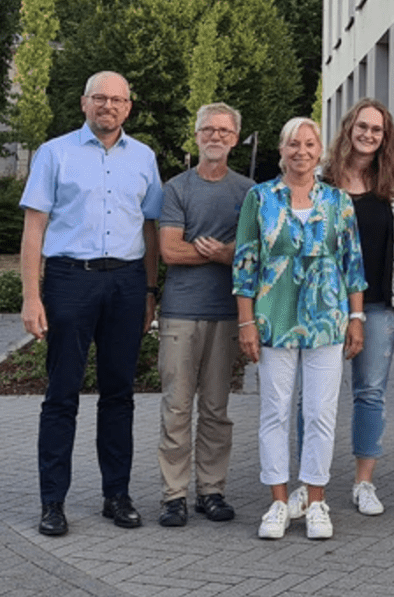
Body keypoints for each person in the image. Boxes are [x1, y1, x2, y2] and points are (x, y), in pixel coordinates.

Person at [20, 71, 163, 536]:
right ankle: (52, 503)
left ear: (129, 107)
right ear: (84, 103)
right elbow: (34, 229)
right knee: (61, 395)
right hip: (70, 280)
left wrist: (149, 291)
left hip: (126, 283)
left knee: (119, 395)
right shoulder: (54, 153)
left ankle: (116, 496)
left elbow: (149, 229)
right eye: (99, 98)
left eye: (117, 99)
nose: (108, 106)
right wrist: (31, 296)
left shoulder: (143, 157)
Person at [232, 117, 366, 540]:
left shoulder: (338, 201)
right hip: (275, 318)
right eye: (294, 144)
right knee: (275, 410)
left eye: (309, 144)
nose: (301, 151)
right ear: (282, 149)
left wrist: (357, 318)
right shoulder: (259, 198)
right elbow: (245, 262)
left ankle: (316, 500)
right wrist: (246, 322)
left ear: (320, 151)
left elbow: (353, 264)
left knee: (320, 413)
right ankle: (277, 502)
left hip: (327, 319)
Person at [311, 98, 394, 516]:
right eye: (363, 127)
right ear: (348, 128)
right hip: (322, 302)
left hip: (380, 304)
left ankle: (364, 482)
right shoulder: (320, 180)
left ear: (385, 137)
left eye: (377, 129)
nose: (368, 135)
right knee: (314, 396)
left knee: (370, 392)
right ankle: (309, 480)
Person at [156, 102, 255, 527]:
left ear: (235, 139)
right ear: (196, 135)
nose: (215, 137)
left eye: (224, 131)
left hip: (227, 313)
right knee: (176, 407)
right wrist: (222, 253)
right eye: (208, 130)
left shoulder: (249, 192)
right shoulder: (177, 188)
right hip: (180, 311)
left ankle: (211, 490)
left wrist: (227, 253)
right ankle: (173, 495)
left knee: (216, 408)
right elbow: (169, 250)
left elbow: (254, 253)